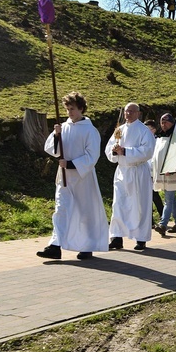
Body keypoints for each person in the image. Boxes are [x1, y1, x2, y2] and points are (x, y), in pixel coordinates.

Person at [37, 91, 108, 260]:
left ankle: (87, 246)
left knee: (84, 212)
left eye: (73, 109)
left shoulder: (90, 131)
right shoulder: (63, 127)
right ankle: (55, 246)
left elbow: (92, 156)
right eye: (67, 109)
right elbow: (52, 149)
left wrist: (70, 164)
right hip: (64, 178)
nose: (69, 112)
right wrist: (56, 136)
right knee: (61, 210)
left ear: (82, 108)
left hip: (83, 179)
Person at [105, 102, 155, 251]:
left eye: (132, 111)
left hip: (137, 172)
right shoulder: (119, 130)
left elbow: (147, 151)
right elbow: (109, 148)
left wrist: (125, 151)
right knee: (118, 204)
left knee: (139, 205)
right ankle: (116, 237)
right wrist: (114, 151)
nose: (128, 114)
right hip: (122, 172)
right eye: (127, 111)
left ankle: (141, 239)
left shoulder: (144, 131)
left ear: (138, 113)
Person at [152, 113, 176, 237]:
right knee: (172, 199)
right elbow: (155, 155)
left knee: (168, 199)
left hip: (172, 173)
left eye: (166, 121)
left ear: (172, 122)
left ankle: (163, 224)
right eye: (162, 121)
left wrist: (173, 168)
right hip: (162, 173)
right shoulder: (160, 137)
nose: (163, 124)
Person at [144, 118, 165, 220]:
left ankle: (163, 216)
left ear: (154, 130)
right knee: (147, 197)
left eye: (148, 129)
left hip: (153, 171)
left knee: (154, 196)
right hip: (144, 171)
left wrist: (153, 173)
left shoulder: (157, 141)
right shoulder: (143, 141)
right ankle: (151, 220)